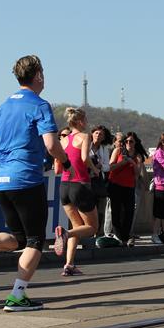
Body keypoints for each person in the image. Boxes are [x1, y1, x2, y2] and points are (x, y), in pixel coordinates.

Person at [0, 55, 71, 311]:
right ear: (38, 75)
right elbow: (52, 145)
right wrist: (66, 161)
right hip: (26, 177)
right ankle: (17, 296)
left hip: (2, 178)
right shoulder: (40, 105)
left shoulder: (6, 104)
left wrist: (5, 155)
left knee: (19, 238)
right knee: (36, 240)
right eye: (43, 73)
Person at [53, 107, 99, 276]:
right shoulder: (84, 137)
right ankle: (65, 234)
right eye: (85, 120)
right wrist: (95, 169)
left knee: (78, 226)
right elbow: (85, 158)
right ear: (80, 122)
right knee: (92, 227)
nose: (87, 123)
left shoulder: (63, 140)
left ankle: (69, 264)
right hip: (80, 184)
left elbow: (57, 168)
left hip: (64, 186)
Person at [108, 132, 144, 245]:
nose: (128, 143)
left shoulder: (137, 156)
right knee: (116, 211)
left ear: (135, 143)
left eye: (131, 141)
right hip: (115, 185)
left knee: (129, 212)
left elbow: (138, 173)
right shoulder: (118, 151)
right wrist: (123, 162)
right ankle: (119, 236)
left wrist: (131, 161)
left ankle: (125, 236)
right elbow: (110, 167)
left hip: (129, 186)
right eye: (126, 141)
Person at [89, 125, 112, 235]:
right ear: (92, 134)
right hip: (86, 179)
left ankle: (97, 233)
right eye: (96, 133)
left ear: (104, 137)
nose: (98, 135)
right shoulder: (86, 145)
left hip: (97, 181)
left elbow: (107, 167)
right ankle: (87, 233)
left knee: (99, 208)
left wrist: (100, 166)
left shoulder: (104, 149)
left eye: (101, 134)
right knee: (87, 207)